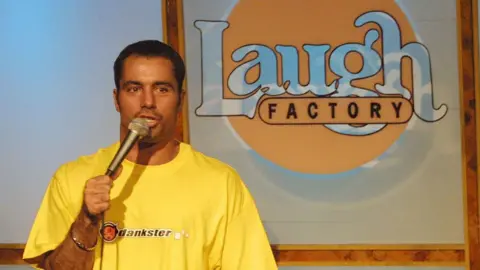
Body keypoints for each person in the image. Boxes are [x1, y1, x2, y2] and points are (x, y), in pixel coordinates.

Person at [23, 40, 278, 270]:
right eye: (134, 89)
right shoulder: (73, 177)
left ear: (181, 100)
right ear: (116, 99)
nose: (147, 101)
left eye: (162, 89)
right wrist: (87, 220)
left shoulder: (221, 183)